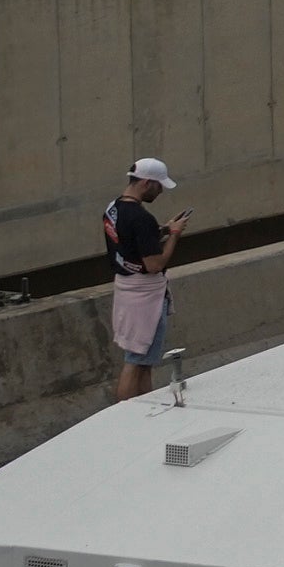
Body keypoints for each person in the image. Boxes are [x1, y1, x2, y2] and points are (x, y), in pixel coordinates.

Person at [102, 154, 183, 396]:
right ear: (146, 183)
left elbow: (130, 241)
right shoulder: (141, 218)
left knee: (143, 360)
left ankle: (145, 405)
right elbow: (155, 264)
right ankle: (125, 412)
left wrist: (164, 230)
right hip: (145, 296)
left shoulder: (113, 209)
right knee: (136, 359)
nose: (160, 192)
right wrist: (175, 235)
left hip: (125, 288)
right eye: (159, 186)